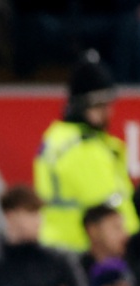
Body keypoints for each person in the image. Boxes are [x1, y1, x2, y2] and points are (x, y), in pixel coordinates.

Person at [35, 52, 139, 252]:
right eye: (102, 105)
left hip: (63, 245)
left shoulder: (58, 138)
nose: (110, 112)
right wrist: (134, 245)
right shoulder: (82, 149)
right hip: (86, 250)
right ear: (85, 106)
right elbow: (107, 213)